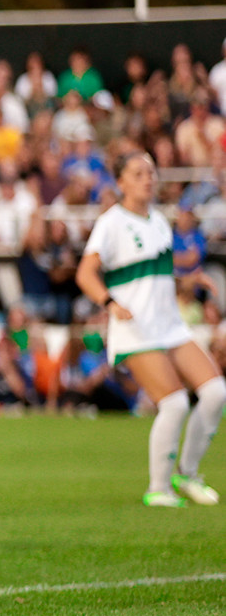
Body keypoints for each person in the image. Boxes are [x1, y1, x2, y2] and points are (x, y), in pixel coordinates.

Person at [77, 151, 226, 507]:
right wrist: (110, 304)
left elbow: (155, 276)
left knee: (216, 392)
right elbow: (85, 274)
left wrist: (188, 280)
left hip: (168, 325)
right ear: (121, 182)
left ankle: (186, 473)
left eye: (151, 172)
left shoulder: (159, 220)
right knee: (174, 403)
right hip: (136, 330)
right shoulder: (111, 222)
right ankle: (158, 487)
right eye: (139, 173)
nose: (148, 178)